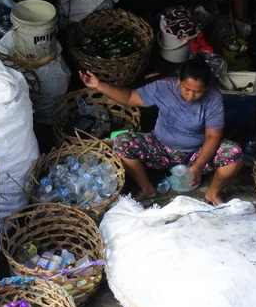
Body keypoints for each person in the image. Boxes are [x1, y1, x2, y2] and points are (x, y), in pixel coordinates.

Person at [79, 56, 243, 205]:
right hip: (160, 148)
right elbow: (130, 97)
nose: (190, 95)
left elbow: (213, 135)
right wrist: (99, 85)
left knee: (234, 153)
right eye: (187, 89)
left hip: (196, 153)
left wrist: (199, 166)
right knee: (122, 142)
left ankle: (212, 194)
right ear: (179, 81)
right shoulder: (163, 87)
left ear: (206, 88)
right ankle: (147, 189)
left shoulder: (213, 98)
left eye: (197, 91)